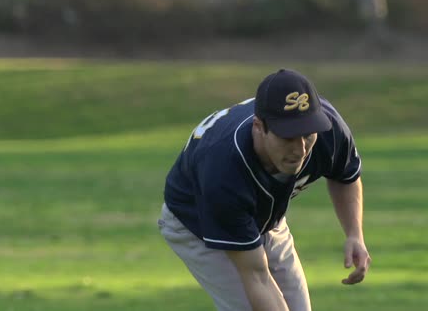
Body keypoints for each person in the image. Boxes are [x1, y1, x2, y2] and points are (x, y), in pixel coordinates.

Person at [158, 68, 371, 311]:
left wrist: (354, 234)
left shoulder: (327, 130)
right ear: (259, 127)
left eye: (306, 133)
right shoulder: (224, 171)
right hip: (198, 222)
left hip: (265, 218)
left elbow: (345, 174)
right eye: (288, 137)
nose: (301, 149)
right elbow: (256, 277)